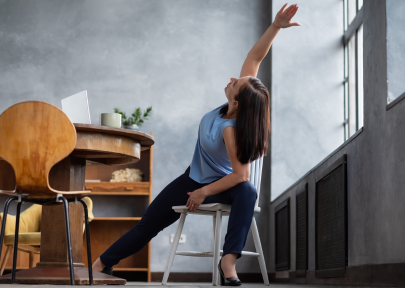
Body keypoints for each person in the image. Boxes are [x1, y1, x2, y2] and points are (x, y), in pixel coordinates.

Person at [92, 3, 300, 286]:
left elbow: (241, 175)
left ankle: (228, 262)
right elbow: (255, 55)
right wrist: (276, 26)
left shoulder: (232, 131)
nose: (232, 79)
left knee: (247, 191)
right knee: (148, 224)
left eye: (236, 83)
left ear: (236, 103)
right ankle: (103, 263)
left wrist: (203, 192)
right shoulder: (234, 104)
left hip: (222, 186)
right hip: (192, 178)